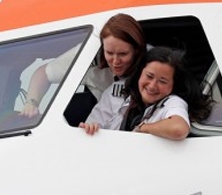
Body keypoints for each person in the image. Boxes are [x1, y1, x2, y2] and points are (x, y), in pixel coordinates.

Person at [21, 13, 147, 125]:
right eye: (109, 53)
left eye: (123, 54)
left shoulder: (152, 65)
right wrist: (31, 104)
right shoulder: (89, 56)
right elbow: (43, 73)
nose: (115, 61)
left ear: (137, 50)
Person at [80, 46, 212, 141]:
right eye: (149, 76)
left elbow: (178, 129)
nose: (152, 86)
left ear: (173, 85)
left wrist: (143, 128)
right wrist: (91, 129)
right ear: (139, 73)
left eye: (162, 81)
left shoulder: (173, 102)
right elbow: (91, 126)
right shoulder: (116, 92)